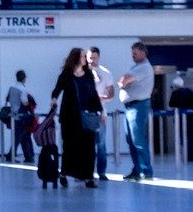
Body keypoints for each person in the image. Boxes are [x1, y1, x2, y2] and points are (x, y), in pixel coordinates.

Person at [50, 48, 103, 188]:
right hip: (69, 117)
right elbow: (57, 89)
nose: (85, 58)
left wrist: (100, 111)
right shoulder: (66, 74)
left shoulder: (88, 74)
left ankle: (88, 177)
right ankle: (64, 173)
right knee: (69, 146)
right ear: (76, 58)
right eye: (83, 56)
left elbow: (94, 94)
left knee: (89, 147)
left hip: (87, 115)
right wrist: (54, 99)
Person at [118, 41, 155, 181]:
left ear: (143, 53)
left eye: (135, 53)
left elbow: (124, 80)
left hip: (138, 106)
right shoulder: (136, 67)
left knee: (138, 139)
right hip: (130, 107)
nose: (132, 55)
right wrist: (124, 81)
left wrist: (124, 82)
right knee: (131, 141)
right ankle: (137, 169)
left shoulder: (144, 67)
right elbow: (122, 80)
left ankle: (147, 171)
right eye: (132, 53)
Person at [88, 46, 116, 181]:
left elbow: (111, 93)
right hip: (85, 113)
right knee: (85, 144)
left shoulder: (106, 73)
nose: (92, 61)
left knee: (101, 144)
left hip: (100, 113)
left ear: (99, 57)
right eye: (90, 58)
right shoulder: (81, 73)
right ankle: (85, 171)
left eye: (95, 58)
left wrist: (100, 98)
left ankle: (101, 171)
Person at [169, 76, 193, 163]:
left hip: (180, 118)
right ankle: (192, 155)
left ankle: (186, 154)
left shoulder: (175, 93)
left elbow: (171, 104)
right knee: (191, 136)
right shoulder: (189, 92)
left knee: (183, 136)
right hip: (191, 117)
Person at [5, 70, 35, 163]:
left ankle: (28, 156)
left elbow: (7, 99)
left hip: (13, 114)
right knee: (18, 137)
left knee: (24, 136)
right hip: (21, 116)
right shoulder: (22, 89)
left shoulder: (11, 87)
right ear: (24, 78)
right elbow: (25, 102)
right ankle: (11, 155)